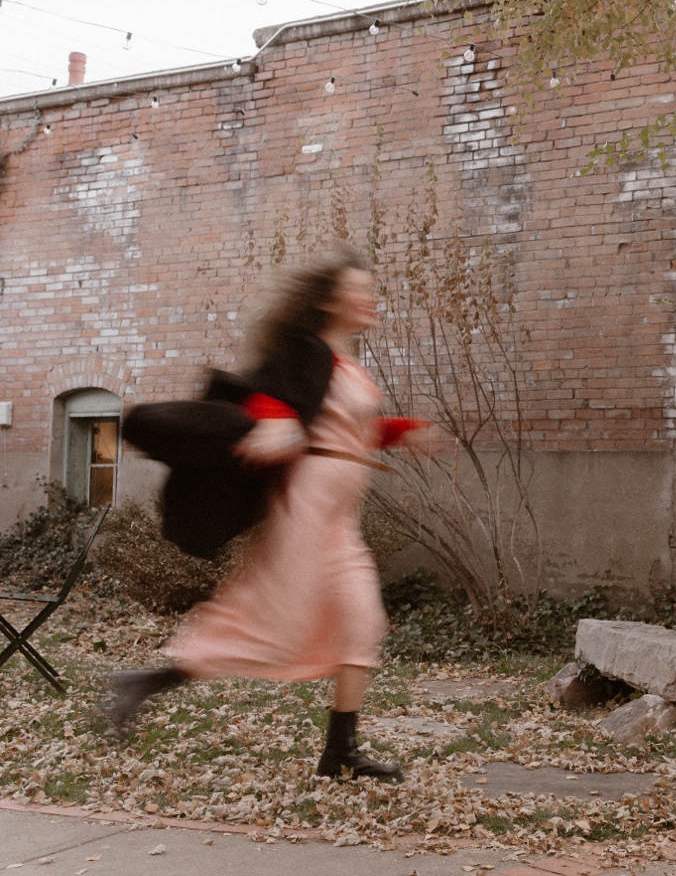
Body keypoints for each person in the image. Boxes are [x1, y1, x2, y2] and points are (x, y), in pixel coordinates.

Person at [107, 244, 441, 782]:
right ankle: (149, 680)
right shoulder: (303, 348)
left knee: (362, 621)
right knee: (271, 621)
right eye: (357, 289)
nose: (368, 297)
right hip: (306, 509)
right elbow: (268, 396)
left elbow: (350, 430)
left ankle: (341, 753)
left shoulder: (346, 361)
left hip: (339, 516)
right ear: (331, 300)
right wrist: (274, 421)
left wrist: (404, 432)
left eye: (367, 288)